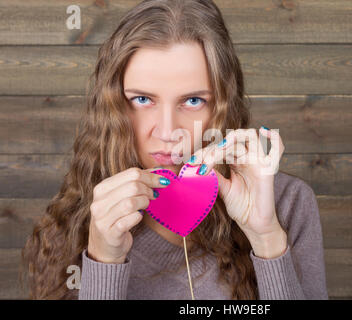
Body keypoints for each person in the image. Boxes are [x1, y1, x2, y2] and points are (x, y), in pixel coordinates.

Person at [22, 0, 328, 300]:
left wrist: (266, 238)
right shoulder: (76, 220)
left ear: (223, 106)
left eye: (193, 101)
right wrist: (103, 261)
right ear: (113, 107)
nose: (168, 133)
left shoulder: (288, 204)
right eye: (142, 100)